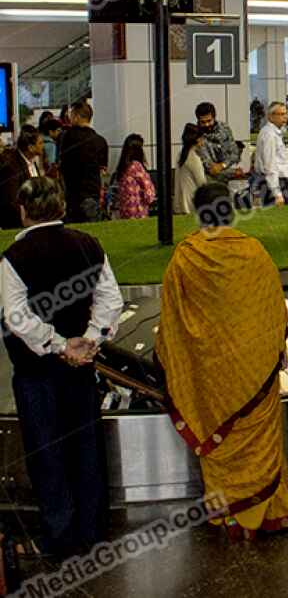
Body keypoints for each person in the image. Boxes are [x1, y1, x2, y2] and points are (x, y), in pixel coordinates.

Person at [157, 182, 288, 539]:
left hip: (211, 377)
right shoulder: (253, 252)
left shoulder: (185, 258)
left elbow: (172, 323)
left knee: (219, 437)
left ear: (196, 212)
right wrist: (274, 351)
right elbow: (274, 311)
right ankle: (270, 511)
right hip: (256, 369)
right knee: (260, 440)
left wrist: (177, 360)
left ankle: (228, 516)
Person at [0, 177, 123, 559]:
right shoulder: (89, 245)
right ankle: (94, 531)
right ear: (62, 207)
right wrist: (87, 340)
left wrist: (55, 344)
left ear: (22, 210)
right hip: (81, 367)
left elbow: (15, 317)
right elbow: (111, 301)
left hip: (37, 373)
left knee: (47, 453)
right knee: (86, 450)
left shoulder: (12, 260)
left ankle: (60, 536)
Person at [57, 100, 108, 224]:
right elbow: (103, 171)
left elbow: (61, 165)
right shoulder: (100, 141)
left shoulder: (66, 137)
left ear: (76, 116)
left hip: (72, 193)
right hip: (92, 192)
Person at [0, 126, 43, 229]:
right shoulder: (12, 167)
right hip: (17, 224)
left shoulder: (32, 162)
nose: (43, 146)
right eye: (40, 143)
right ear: (30, 147)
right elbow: (12, 200)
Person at [255, 102, 288, 206]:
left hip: (281, 181)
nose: (285, 117)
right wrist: (277, 194)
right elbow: (270, 165)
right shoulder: (269, 134)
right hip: (274, 183)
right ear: (271, 116)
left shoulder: (277, 132)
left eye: (286, 113)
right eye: (281, 114)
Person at [110, 134, 155, 220]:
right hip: (138, 212)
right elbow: (149, 192)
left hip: (124, 212)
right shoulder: (136, 166)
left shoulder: (122, 168)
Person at [195, 102, 241, 181]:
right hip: (207, 182)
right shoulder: (196, 135)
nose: (206, 124)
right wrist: (234, 172)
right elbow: (210, 170)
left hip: (228, 179)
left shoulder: (224, 128)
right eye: (203, 122)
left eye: (209, 121)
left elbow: (235, 154)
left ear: (214, 117)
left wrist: (222, 165)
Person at [174, 123, 207, 214]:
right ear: (197, 139)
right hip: (192, 204)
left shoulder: (182, 155)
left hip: (181, 202)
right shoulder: (194, 158)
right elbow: (202, 183)